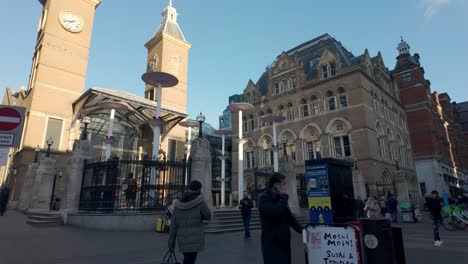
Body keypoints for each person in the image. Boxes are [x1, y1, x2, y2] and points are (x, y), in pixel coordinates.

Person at [258, 172, 303, 264]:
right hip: (272, 243)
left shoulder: (280, 198)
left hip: (284, 243)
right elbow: (275, 212)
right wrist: (284, 197)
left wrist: (304, 231)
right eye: (283, 184)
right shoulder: (264, 198)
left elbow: (290, 219)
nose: (285, 187)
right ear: (275, 185)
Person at [168, 180, 212, 264]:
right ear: (199, 189)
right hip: (195, 238)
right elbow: (208, 216)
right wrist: (201, 216)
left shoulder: (178, 203)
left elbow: (173, 226)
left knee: (187, 258)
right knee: (190, 260)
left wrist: (171, 244)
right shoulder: (200, 202)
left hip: (183, 238)